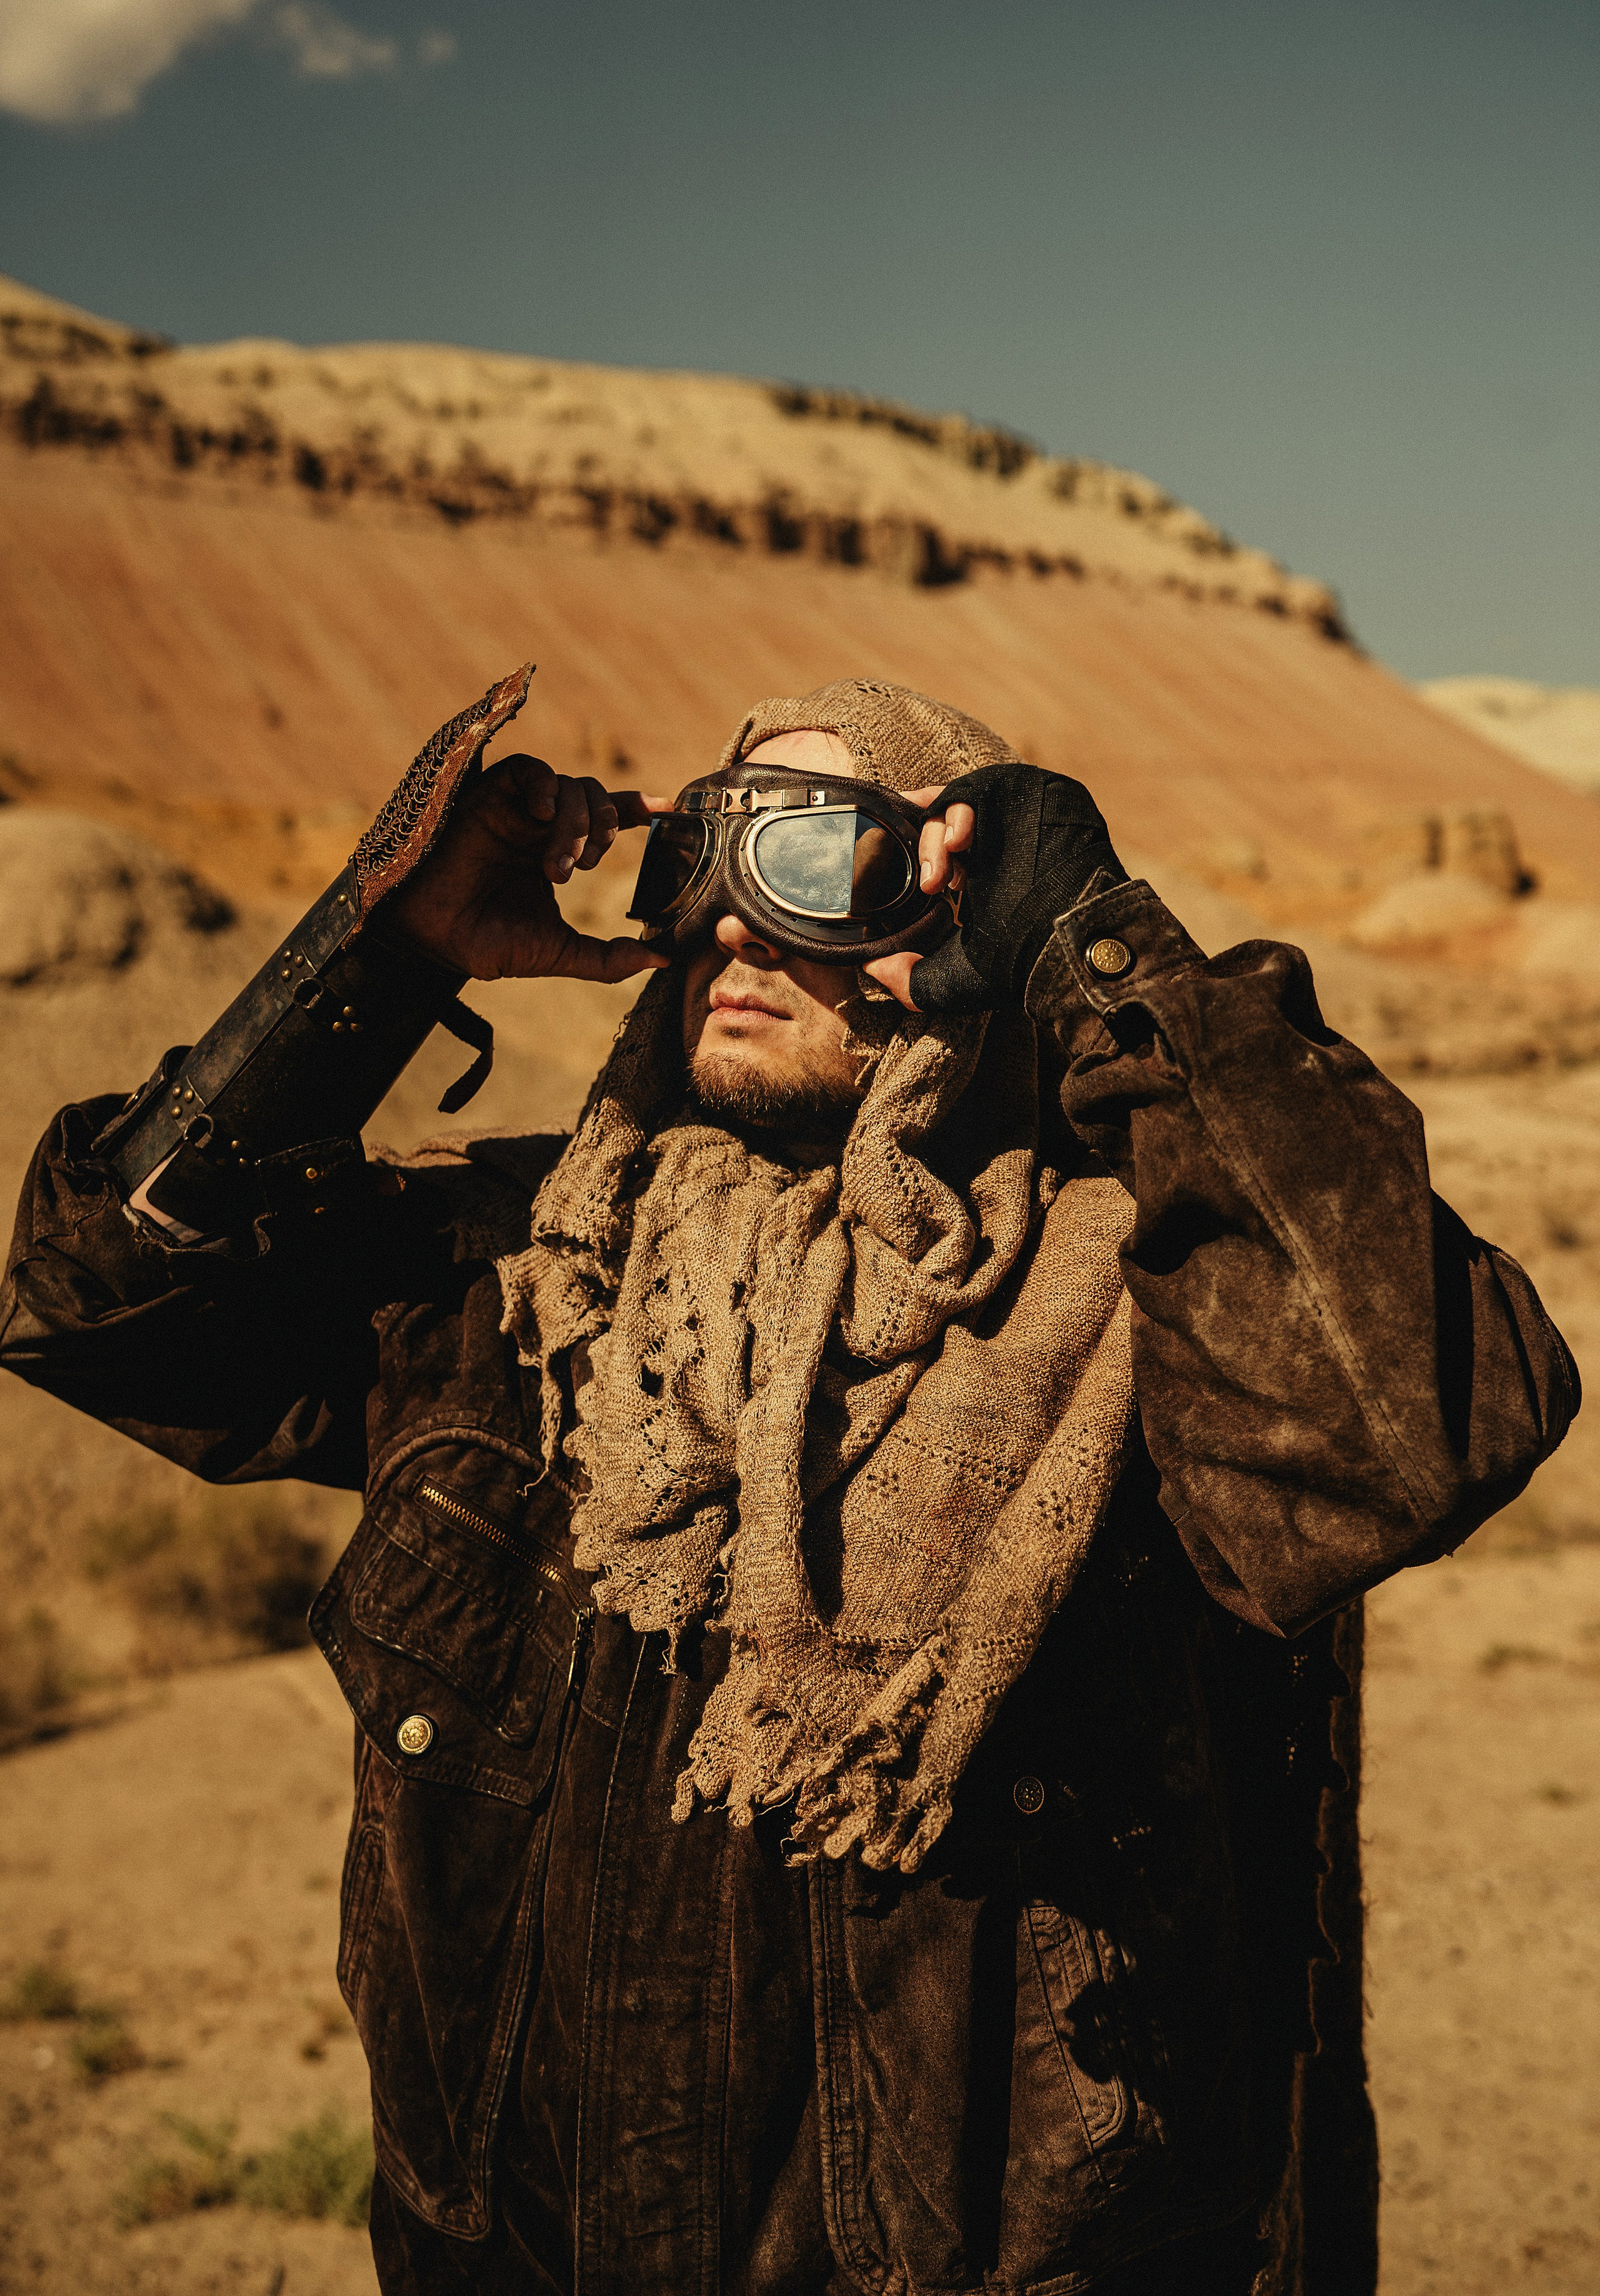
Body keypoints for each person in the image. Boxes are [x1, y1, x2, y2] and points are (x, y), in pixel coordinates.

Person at [0, 669, 1577, 2296]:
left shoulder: (1140, 1314)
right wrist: (385, 952)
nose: (739, 924)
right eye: (702, 858)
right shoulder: (528, 1281)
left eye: (816, 862)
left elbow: (1416, 1420)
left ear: (964, 917)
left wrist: (1094, 948)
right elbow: (93, 1303)